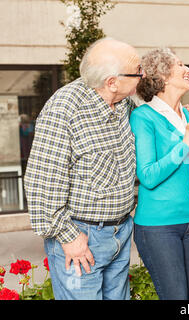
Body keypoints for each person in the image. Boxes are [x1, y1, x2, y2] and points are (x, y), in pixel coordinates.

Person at [24, 37, 143, 300]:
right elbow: (41, 183)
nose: (142, 76)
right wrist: (69, 237)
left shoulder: (123, 103)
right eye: (137, 72)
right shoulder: (65, 108)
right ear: (112, 82)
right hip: (81, 236)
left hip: (119, 231)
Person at [129, 48, 189, 300]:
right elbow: (148, 175)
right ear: (162, 74)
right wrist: (186, 142)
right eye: (181, 65)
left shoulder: (186, 115)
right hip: (158, 227)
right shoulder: (143, 117)